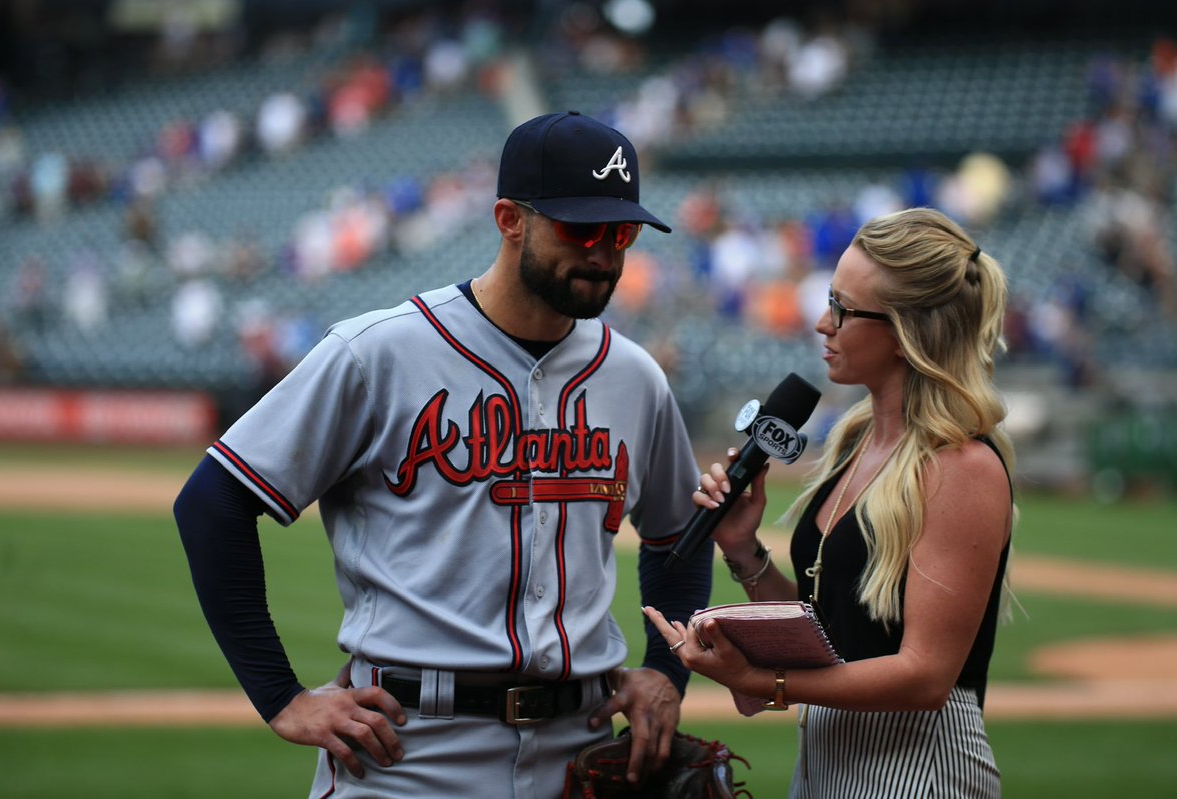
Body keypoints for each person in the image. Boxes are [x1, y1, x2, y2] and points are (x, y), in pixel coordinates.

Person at [173, 110, 712, 799]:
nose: (604, 251)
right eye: (581, 228)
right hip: (408, 755)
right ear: (509, 219)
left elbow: (677, 535)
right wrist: (281, 696)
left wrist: (667, 669)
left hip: (579, 751)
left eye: (622, 231)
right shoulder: (378, 352)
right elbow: (212, 502)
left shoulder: (634, 376)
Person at [647, 207, 1016, 797]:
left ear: (907, 331)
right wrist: (745, 552)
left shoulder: (961, 466)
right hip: (826, 763)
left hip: (921, 771)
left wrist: (765, 680)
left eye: (843, 308)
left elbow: (924, 676)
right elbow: (833, 632)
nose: (823, 322)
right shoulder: (856, 441)